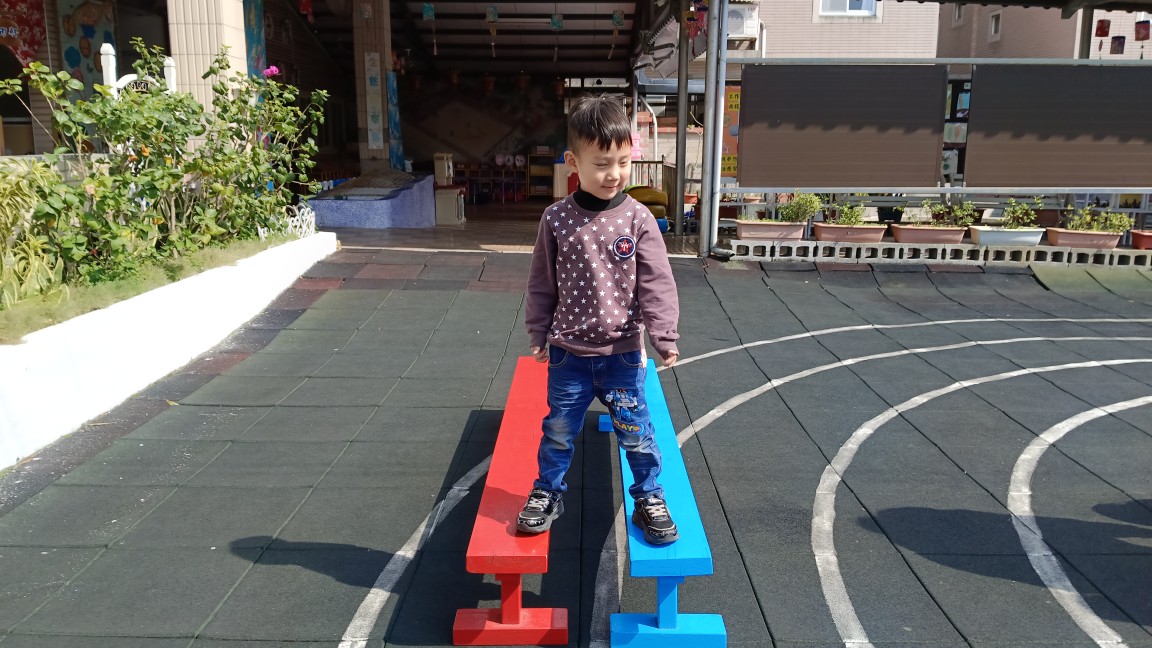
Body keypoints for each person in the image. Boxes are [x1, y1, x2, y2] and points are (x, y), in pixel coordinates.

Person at [517, 95, 681, 545]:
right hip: (568, 355)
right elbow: (542, 281)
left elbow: (656, 282)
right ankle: (548, 491)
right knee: (558, 431)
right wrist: (538, 330)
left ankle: (649, 497)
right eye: (602, 164)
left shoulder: (638, 218)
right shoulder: (557, 219)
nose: (614, 174)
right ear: (573, 162)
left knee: (637, 434)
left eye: (623, 163)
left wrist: (664, 335)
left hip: (621, 355)